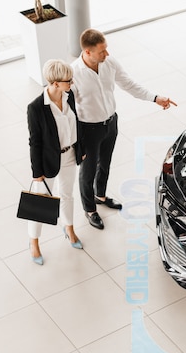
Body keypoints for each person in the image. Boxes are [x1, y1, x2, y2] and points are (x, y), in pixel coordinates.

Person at [71, 28, 177, 229]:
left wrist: (155, 98)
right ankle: (90, 209)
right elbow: (69, 109)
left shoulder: (109, 63)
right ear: (87, 52)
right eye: (102, 51)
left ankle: (100, 196)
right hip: (88, 130)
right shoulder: (74, 73)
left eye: (106, 49)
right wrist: (77, 141)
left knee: (105, 163)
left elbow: (129, 84)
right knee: (88, 171)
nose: (107, 54)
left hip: (110, 123)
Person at [26, 59, 86, 265]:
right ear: (54, 83)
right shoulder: (36, 108)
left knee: (67, 195)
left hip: (70, 155)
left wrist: (81, 149)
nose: (72, 82)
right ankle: (34, 242)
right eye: (68, 80)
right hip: (48, 160)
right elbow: (34, 142)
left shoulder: (68, 98)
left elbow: (77, 123)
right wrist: (37, 172)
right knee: (41, 203)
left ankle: (68, 228)